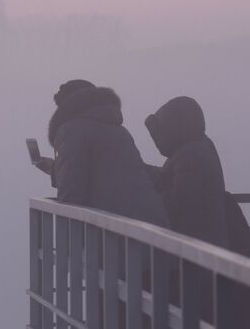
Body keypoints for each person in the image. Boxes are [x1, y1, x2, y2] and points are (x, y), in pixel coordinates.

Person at [47, 81, 169, 228]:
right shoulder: (119, 131)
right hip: (150, 225)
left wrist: (68, 243)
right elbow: (117, 172)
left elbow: (71, 192)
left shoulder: (71, 130)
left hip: (113, 232)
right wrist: (55, 170)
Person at [144, 96, 230, 248]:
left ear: (172, 128)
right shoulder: (200, 145)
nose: (157, 144)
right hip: (208, 239)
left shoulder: (189, 154)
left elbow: (184, 197)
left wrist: (148, 200)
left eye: (159, 135)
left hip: (194, 243)